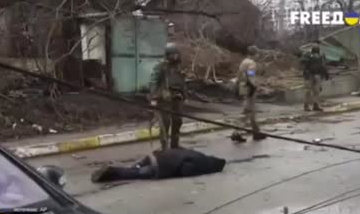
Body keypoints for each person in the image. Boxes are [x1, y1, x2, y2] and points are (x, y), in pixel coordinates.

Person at [90, 148, 226, 183]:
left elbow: (180, 150)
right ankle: (111, 172)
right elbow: (185, 170)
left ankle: (114, 170)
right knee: (135, 174)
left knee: (135, 168)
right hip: (161, 166)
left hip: (156, 156)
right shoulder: (201, 164)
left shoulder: (199, 155)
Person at [149, 42, 186, 150]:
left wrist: (185, 94)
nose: (175, 56)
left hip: (177, 97)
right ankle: (164, 147)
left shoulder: (178, 66)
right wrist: (154, 98)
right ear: (168, 55)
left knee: (178, 121)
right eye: (173, 54)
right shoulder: (161, 66)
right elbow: (153, 82)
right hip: (164, 98)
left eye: (176, 54)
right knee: (165, 123)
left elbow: (182, 81)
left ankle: (175, 144)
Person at [231, 45, 267, 143]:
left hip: (243, 87)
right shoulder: (252, 63)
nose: (258, 56)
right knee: (247, 111)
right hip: (249, 88)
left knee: (251, 111)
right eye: (257, 54)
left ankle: (256, 132)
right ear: (254, 54)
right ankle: (236, 132)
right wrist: (256, 87)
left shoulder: (244, 62)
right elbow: (251, 77)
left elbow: (238, 75)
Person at [301, 44, 329, 112]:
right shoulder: (307, 55)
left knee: (317, 91)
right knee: (308, 91)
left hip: (318, 74)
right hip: (309, 74)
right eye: (315, 50)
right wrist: (310, 58)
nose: (316, 52)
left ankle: (315, 105)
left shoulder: (321, 56)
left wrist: (326, 73)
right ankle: (306, 106)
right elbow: (302, 62)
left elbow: (323, 65)